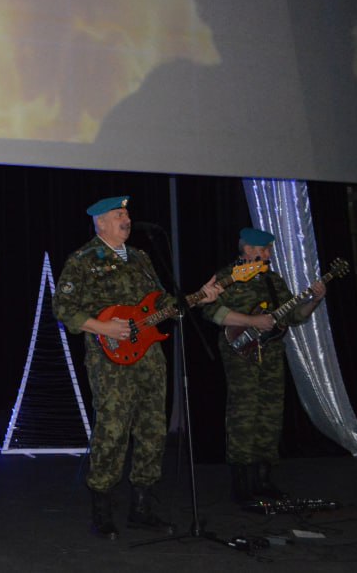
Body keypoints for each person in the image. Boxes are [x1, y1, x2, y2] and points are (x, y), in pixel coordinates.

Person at [53, 196, 221, 539]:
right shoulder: (83, 260)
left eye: (127, 213)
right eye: (119, 214)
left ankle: (142, 507)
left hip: (149, 358)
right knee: (113, 430)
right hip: (108, 359)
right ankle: (102, 508)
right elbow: (62, 308)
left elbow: (162, 305)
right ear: (100, 223)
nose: (127, 219)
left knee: (152, 430)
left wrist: (198, 297)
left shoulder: (143, 258)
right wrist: (104, 328)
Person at [202, 226, 326, 503]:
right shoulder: (228, 278)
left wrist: (314, 300)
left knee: (270, 413)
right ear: (247, 250)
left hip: (270, 352)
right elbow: (211, 311)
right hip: (240, 352)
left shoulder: (273, 280)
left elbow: (293, 316)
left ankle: (264, 478)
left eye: (269, 249)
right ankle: (242, 483)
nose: (268, 254)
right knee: (244, 413)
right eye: (263, 250)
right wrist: (251, 321)